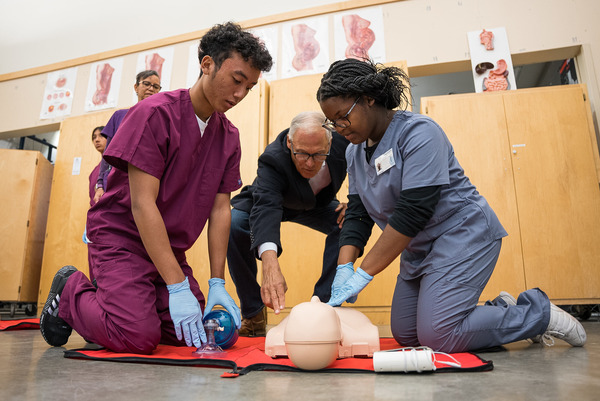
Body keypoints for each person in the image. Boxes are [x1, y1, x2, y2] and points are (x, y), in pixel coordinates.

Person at [316, 58, 586, 353]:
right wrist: (344, 266)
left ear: (368, 98)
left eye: (343, 116)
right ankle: (502, 309)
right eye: (333, 121)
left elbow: (413, 211)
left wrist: (363, 273)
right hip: (418, 248)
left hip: (462, 234)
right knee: (407, 334)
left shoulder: (419, 132)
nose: (339, 127)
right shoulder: (355, 152)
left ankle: (538, 314)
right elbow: (357, 212)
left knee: (439, 335)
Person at [39, 22, 273, 353]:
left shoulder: (229, 137)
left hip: (168, 250)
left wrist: (217, 282)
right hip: (122, 239)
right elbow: (142, 205)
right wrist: (177, 286)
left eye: (248, 87)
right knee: (137, 336)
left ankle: (120, 311)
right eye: (236, 80)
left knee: (203, 334)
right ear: (207, 64)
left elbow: (221, 208)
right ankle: (71, 291)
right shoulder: (154, 114)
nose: (239, 94)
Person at [227, 111, 349, 336]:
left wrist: (355, 201)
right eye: (301, 154)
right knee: (234, 224)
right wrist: (270, 264)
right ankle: (253, 313)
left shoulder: (344, 143)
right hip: (269, 202)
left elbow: (366, 169)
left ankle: (324, 307)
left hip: (315, 204)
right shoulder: (273, 158)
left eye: (319, 154)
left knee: (348, 222)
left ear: (330, 143)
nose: (310, 163)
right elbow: (267, 208)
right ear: (290, 142)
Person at [92, 70, 161, 204]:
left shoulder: (160, 120)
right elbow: (107, 155)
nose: (151, 88)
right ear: (136, 87)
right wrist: (100, 185)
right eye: (146, 84)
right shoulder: (119, 116)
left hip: (146, 185)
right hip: (115, 184)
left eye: (155, 86)